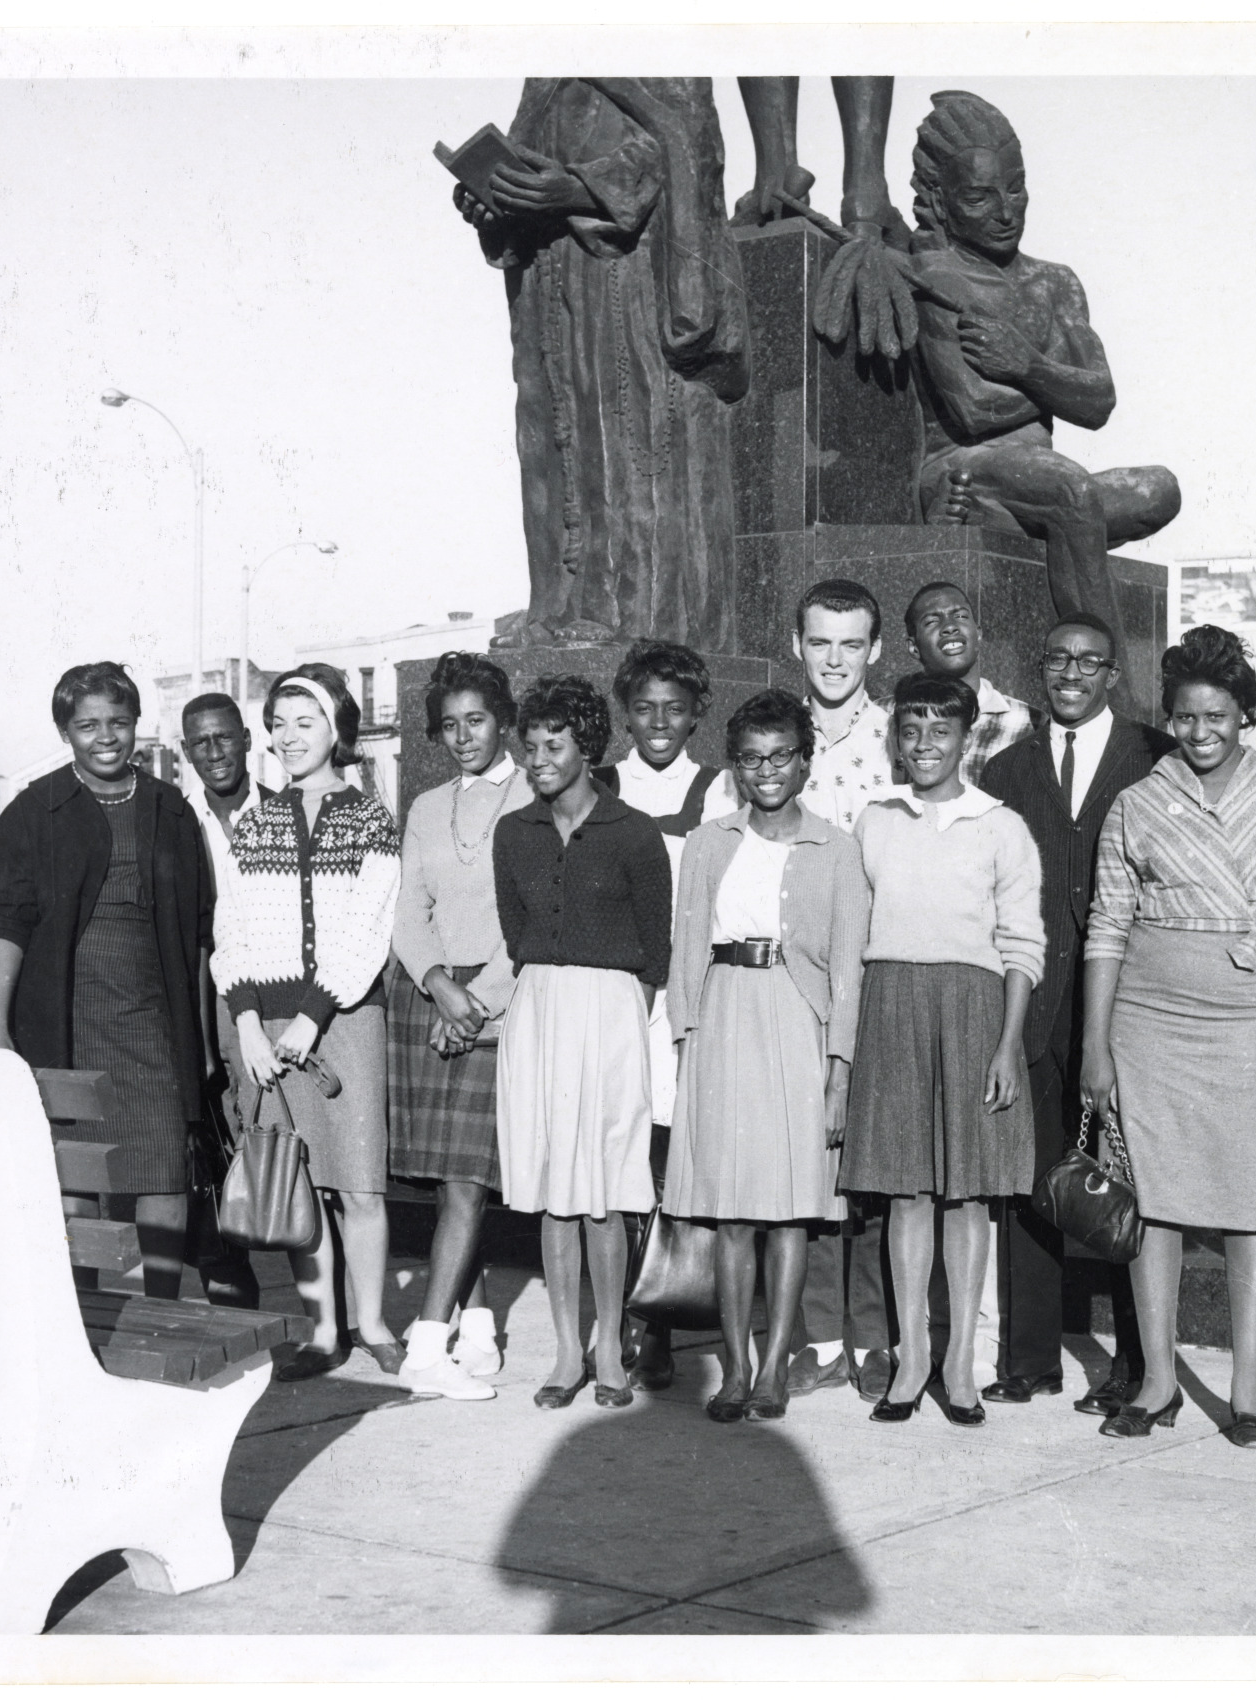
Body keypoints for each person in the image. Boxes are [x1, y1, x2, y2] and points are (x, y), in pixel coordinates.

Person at [1079, 626, 1256, 1446]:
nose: (1199, 733)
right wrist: (1095, 1043)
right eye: (1185, 717)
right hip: (1147, 1023)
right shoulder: (1137, 802)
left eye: (1217, 716)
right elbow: (1106, 928)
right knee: (1152, 1204)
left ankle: (1248, 1385)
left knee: (1248, 1207)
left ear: (1245, 714)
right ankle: (1156, 1381)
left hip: (1250, 1021)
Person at [899, 90, 1179, 720]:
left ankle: (1009, 523)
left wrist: (1025, 364)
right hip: (963, 468)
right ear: (941, 202)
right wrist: (1053, 386)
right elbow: (970, 410)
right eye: (980, 197)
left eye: (1016, 189)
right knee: (1073, 494)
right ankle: (1120, 706)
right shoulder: (936, 278)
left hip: (1034, 484)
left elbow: (1100, 399)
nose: (1005, 211)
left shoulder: (1055, 282)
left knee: (1160, 489)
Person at [458, 79, 748, 651]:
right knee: (551, 445)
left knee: (623, 435)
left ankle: (629, 613)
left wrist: (580, 189)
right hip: (547, 275)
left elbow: (684, 140)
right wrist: (495, 203)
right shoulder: (548, 66)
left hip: (625, 271)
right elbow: (527, 159)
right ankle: (555, 602)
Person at [980, 613, 1173, 1414]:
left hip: (1119, 1000)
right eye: (1056, 658)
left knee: (1125, 1181)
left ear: (1111, 675)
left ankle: (1135, 1365)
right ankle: (1030, 1358)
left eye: (1088, 662)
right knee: (1033, 1176)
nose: (1070, 673)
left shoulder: (1153, 756)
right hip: (1030, 1000)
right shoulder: (1004, 768)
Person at [664, 689, 872, 1424]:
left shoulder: (837, 848)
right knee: (730, 1214)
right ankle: (735, 1367)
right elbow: (685, 950)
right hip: (723, 1020)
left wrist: (838, 1072)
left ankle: (776, 1367)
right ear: (735, 766)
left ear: (805, 761)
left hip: (796, 1023)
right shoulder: (709, 842)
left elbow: (848, 972)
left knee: (789, 1212)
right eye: (752, 759)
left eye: (782, 755)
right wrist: (685, 1042)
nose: (768, 771)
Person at [841, 672, 1044, 1426]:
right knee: (906, 1189)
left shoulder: (1001, 826)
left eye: (941, 732)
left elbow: (1023, 944)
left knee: (967, 1192)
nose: (925, 746)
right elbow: (853, 929)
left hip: (973, 1010)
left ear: (967, 741)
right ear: (896, 739)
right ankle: (912, 1359)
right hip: (891, 1004)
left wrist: (1006, 1044)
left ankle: (959, 1360)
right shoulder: (875, 820)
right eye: (912, 731)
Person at [0, 662, 214, 1303]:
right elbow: (7, 921)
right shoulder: (36, 809)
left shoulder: (169, 808)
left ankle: (159, 1306)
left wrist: (201, 1041)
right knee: (76, 1175)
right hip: (67, 1018)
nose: (105, 736)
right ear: (65, 731)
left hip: (151, 1017)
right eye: (87, 725)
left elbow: (197, 933)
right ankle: (80, 1315)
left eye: (118, 722)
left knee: (164, 1167)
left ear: (137, 724)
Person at [214, 665, 403, 1382]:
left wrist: (314, 1017)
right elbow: (229, 934)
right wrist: (251, 1026)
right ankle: (324, 1329)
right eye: (281, 724)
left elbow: (369, 928)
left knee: (358, 1184)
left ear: (336, 731)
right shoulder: (254, 823)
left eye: (306, 722)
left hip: (344, 1023)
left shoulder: (368, 818)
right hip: (268, 1028)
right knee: (300, 1184)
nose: (290, 738)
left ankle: (373, 1320)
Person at [492, 675, 671, 1409]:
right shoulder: (514, 833)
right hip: (539, 1010)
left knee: (604, 1192)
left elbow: (655, 951)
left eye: (554, 744)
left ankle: (608, 1347)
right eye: (529, 744)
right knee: (553, 1195)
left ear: (586, 747)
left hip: (611, 1012)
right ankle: (566, 1351)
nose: (538, 758)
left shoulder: (633, 833)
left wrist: (613, 1014)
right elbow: (515, 931)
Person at [591, 638, 739, 1390]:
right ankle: (613, 1317)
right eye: (644, 708)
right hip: (618, 996)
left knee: (667, 1157)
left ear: (695, 717)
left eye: (674, 710)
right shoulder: (600, 784)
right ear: (625, 713)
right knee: (616, 1159)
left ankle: (658, 1321)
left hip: (682, 996)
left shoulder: (717, 792)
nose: (658, 722)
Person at [388, 653, 535, 1401]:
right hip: (436, 998)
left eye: (475, 720)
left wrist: (477, 1003)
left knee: (468, 1183)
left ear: (504, 719)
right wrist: (439, 985)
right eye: (449, 726)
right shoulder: (424, 806)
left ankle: (425, 1343)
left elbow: (532, 918)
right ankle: (474, 1329)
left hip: (499, 1004)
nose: (463, 737)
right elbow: (408, 909)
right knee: (454, 1182)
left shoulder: (534, 795)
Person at [783, 578, 898, 1402]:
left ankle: (873, 1335)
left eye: (850, 643)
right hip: (793, 980)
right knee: (809, 1162)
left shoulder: (903, 737)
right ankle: (818, 1336)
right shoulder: (770, 736)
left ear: (876, 651)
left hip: (881, 972)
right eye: (820, 642)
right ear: (798, 644)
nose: (834, 658)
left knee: (874, 1162)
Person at [178, 690, 272, 1309]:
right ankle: (225, 1263)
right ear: (187, 752)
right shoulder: (179, 820)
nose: (215, 753)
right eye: (200, 743)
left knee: (277, 1129)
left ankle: (324, 1295)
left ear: (246, 738)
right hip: (209, 991)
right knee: (213, 1127)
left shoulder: (285, 810)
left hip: (279, 994)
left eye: (224, 738)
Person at [902, 580, 1033, 784]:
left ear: (978, 633)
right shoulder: (885, 716)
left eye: (961, 616)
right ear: (913, 647)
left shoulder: (1027, 722)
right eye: (931, 622)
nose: (950, 627)